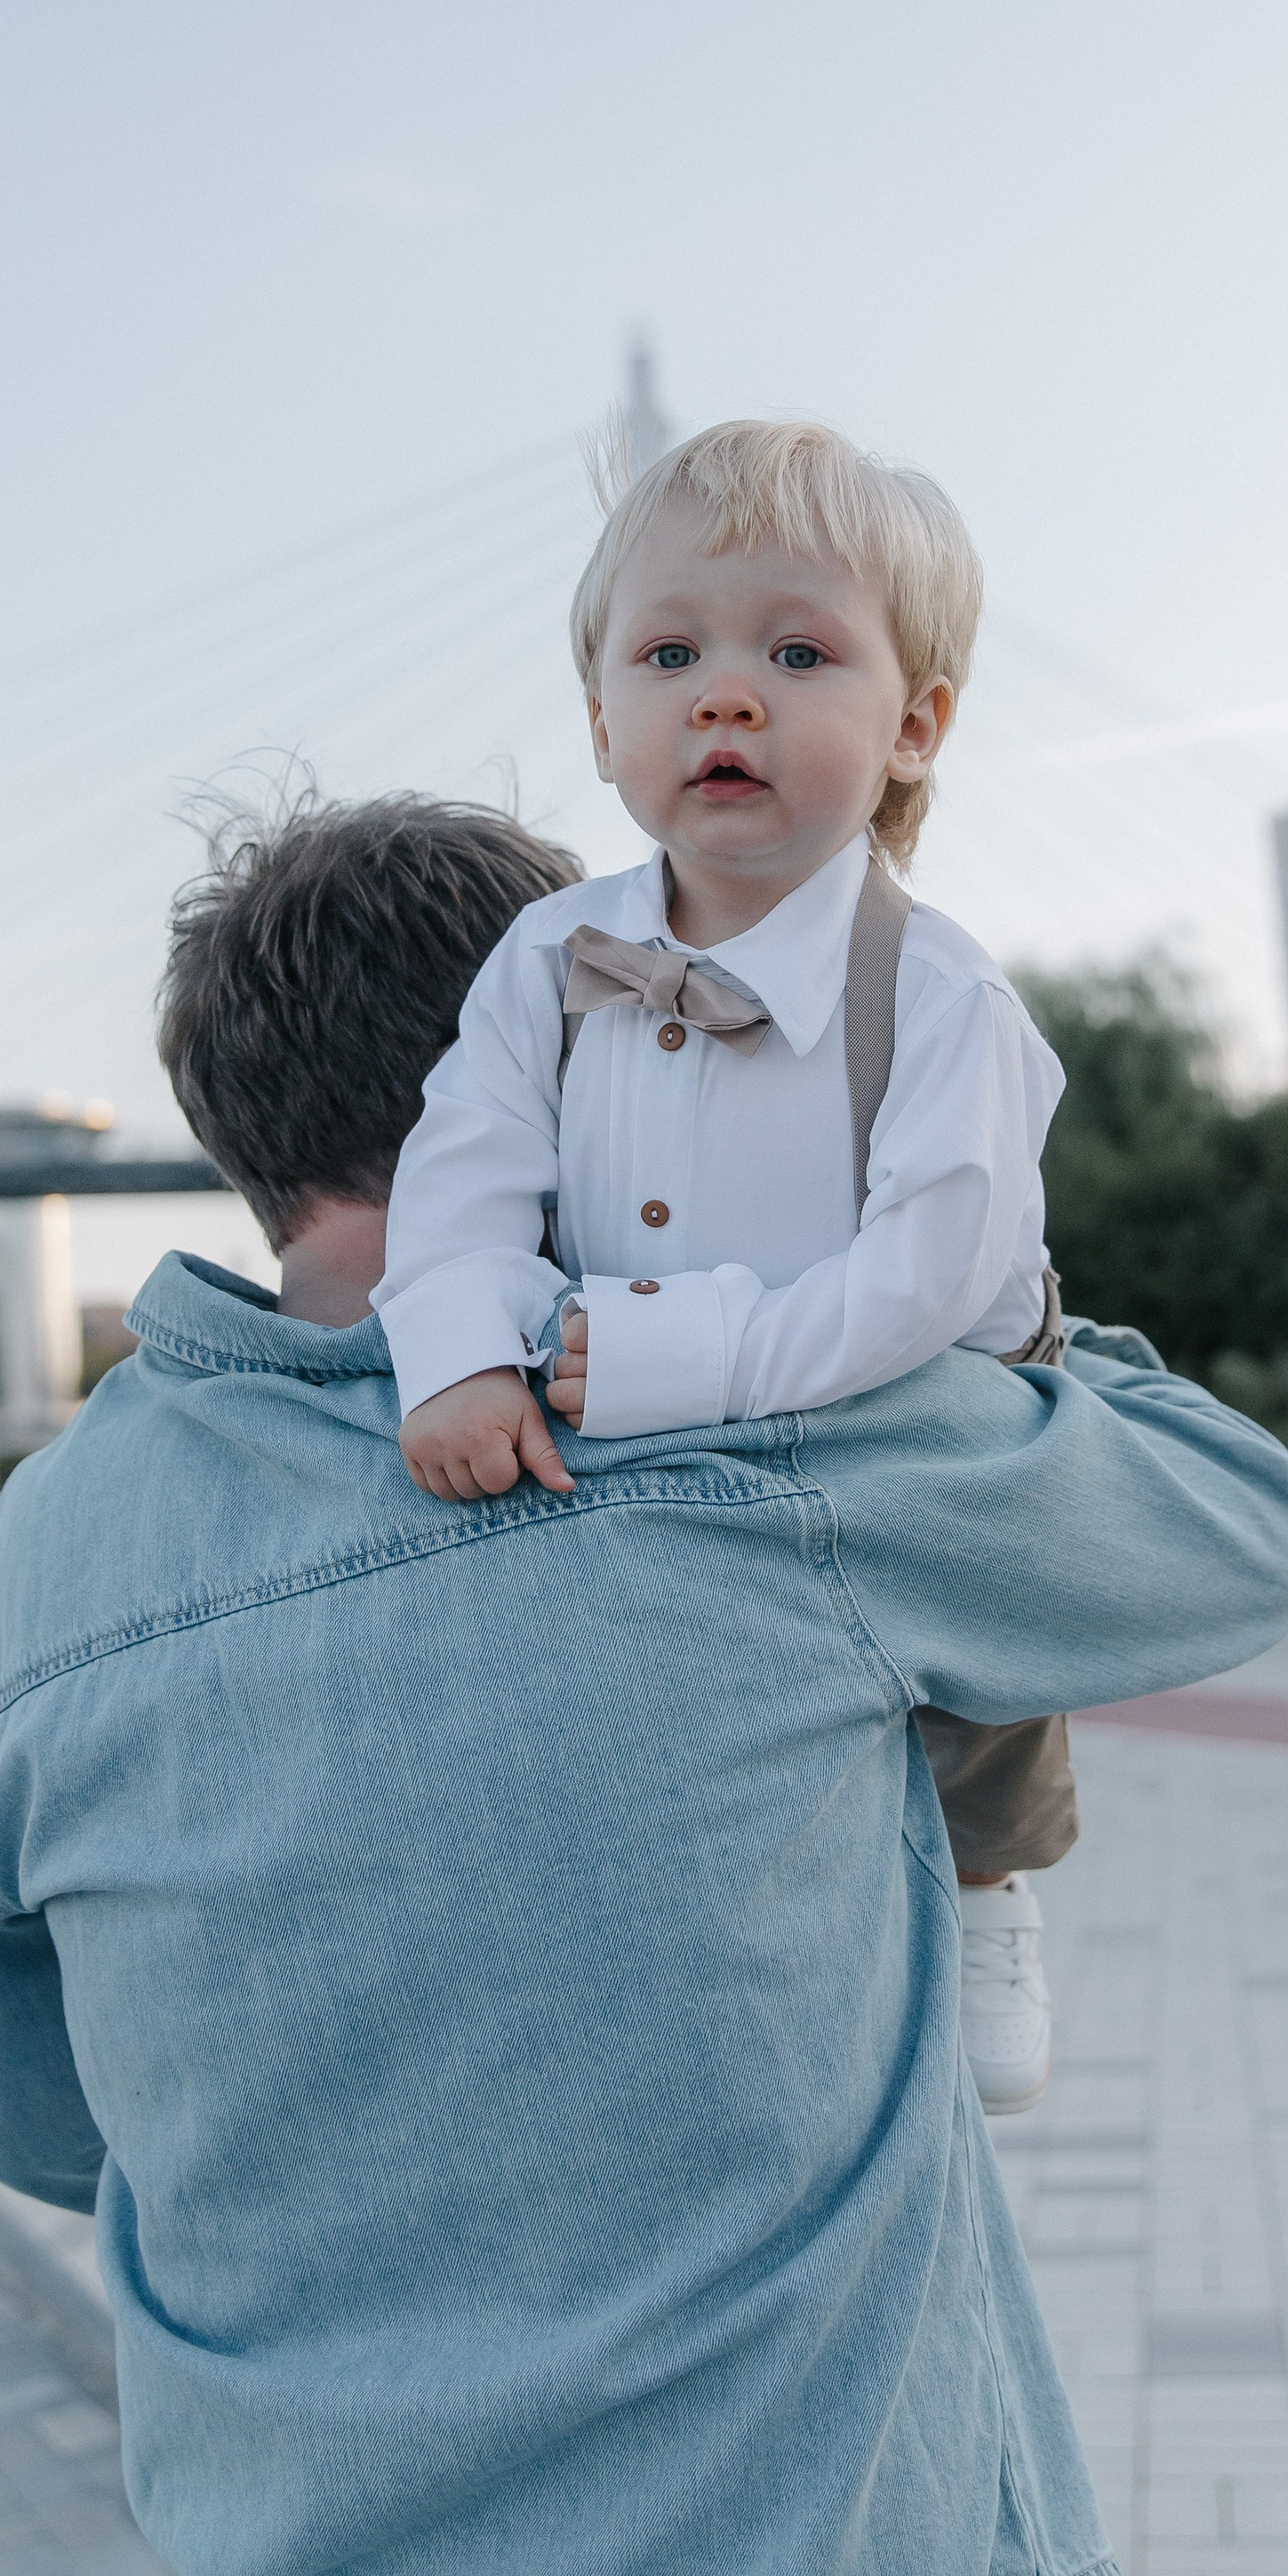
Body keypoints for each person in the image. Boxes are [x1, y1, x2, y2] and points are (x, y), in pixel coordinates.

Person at [0, 790, 1288, 2576]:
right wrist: (916, 1275)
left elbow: (45, 2126)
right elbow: (1243, 1523)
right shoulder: (731, 1432)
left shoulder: (24, 1576)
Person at [373, 420, 1076, 2110]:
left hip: (916, 1387)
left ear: (914, 727)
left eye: (799, 654)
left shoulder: (942, 993)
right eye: (670, 655)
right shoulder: (549, 954)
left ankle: (990, 1881)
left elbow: (923, 1277)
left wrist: (689, 1356)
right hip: (650, 1405)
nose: (728, 698)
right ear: (601, 723)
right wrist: (459, 1353)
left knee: (976, 1628)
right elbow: (462, 1175)